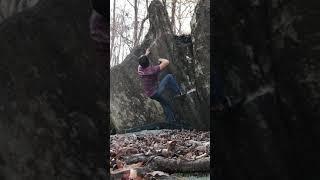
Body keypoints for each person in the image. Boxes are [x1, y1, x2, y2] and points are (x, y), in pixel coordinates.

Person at [137, 48, 184, 123]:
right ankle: (179, 93)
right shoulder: (152, 70)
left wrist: (146, 54)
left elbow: (141, 62)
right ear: (148, 62)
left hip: (150, 94)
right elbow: (166, 62)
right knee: (169, 76)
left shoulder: (140, 70)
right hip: (156, 92)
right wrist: (160, 59)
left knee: (164, 104)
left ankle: (170, 121)